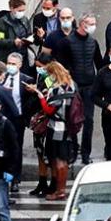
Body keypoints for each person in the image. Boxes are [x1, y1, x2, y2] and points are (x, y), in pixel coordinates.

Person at [30, 61, 76, 200]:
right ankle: (59, 188)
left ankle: (60, 190)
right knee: (62, 159)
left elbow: (49, 109)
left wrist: (41, 97)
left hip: (57, 127)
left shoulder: (58, 89)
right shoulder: (71, 85)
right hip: (67, 127)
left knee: (59, 160)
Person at [61, 13, 103, 165]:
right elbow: (62, 66)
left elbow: (99, 64)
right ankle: (73, 148)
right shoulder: (68, 42)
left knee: (89, 121)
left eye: (94, 23)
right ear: (81, 24)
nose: (92, 26)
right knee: (72, 120)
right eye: (90, 23)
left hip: (90, 87)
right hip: (74, 87)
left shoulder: (93, 42)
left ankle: (86, 153)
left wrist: (100, 85)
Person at [26, 54, 56, 196]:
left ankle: (54, 183)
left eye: (41, 66)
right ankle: (42, 182)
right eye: (37, 66)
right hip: (39, 120)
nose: (38, 69)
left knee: (52, 153)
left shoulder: (53, 78)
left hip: (50, 120)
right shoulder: (39, 76)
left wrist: (37, 90)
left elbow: (50, 95)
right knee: (39, 151)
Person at [2, 52, 35, 173]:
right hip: (3, 118)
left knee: (16, 147)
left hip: (18, 118)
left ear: (20, 65)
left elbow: (32, 101)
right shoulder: (2, 78)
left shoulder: (26, 80)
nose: (10, 66)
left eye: (13, 64)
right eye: (9, 63)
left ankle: (16, 176)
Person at [0, 0, 34, 70]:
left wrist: (30, 39)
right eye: (19, 10)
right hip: (9, 57)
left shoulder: (25, 20)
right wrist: (13, 42)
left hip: (23, 55)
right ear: (11, 8)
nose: (22, 13)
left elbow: (29, 34)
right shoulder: (2, 22)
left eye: (23, 10)